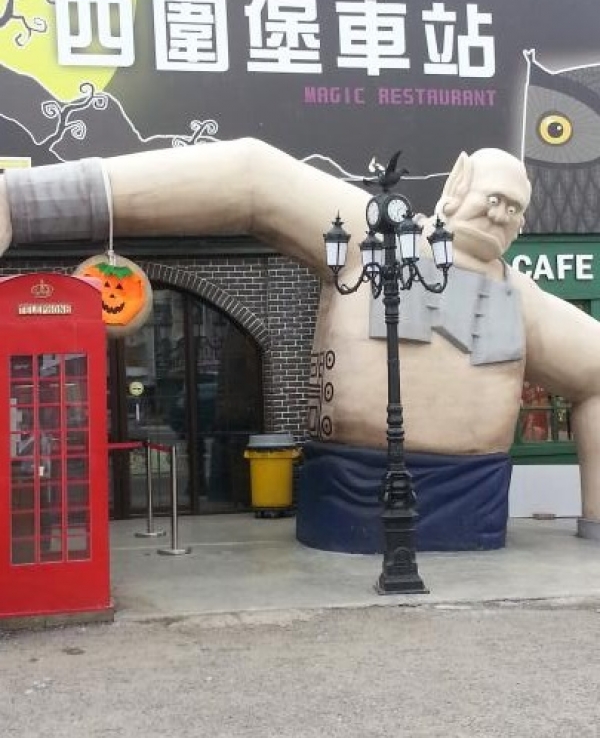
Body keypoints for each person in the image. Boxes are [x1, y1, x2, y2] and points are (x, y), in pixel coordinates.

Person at [2, 138, 600, 550]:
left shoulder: (522, 298)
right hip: (350, 491)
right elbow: (254, 177)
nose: (500, 214)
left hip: (475, 503)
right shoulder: (371, 232)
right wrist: (22, 203)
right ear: (455, 188)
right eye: (492, 198)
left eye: (514, 209)